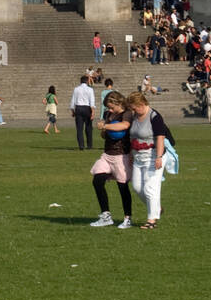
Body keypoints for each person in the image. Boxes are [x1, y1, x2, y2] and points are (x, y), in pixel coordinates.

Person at [90, 90, 134, 229]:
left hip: (121, 155)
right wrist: (103, 130)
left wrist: (106, 126)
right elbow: (106, 134)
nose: (109, 110)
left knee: (122, 187)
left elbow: (124, 126)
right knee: (97, 181)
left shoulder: (126, 113)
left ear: (118, 102)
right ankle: (106, 215)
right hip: (107, 154)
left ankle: (127, 218)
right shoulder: (108, 114)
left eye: (111, 106)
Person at [126, 90, 167, 229]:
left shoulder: (155, 116)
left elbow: (161, 137)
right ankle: (157, 208)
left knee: (151, 188)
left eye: (135, 107)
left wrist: (159, 157)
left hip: (153, 155)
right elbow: (133, 136)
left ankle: (152, 221)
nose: (134, 110)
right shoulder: (135, 117)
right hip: (138, 156)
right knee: (137, 187)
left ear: (142, 103)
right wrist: (131, 154)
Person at [70, 74, 95, 150]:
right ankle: (89, 145)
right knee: (88, 128)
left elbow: (73, 101)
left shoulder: (76, 89)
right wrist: (93, 112)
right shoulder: (90, 89)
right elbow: (92, 101)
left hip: (79, 108)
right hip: (87, 108)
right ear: (87, 81)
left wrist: (73, 111)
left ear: (80, 81)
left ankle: (81, 145)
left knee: (79, 129)